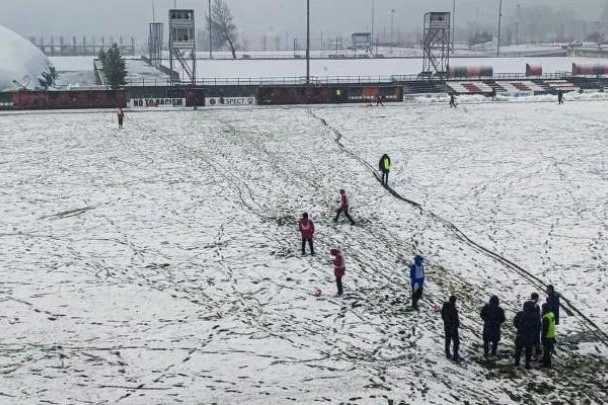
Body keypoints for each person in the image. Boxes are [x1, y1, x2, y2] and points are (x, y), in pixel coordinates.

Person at [513, 301, 541, 369]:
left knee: (518, 349)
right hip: (530, 335)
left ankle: (517, 362)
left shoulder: (520, 314)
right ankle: (527, 364)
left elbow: (515, 322)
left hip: (520, 334)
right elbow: (539, 326)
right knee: (528, 350)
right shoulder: (536, 316)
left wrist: (519, 327)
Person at [441, 295, 461, 361]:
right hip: (452, 328)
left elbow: (443, 316)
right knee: (456, 342)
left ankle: (447, 353)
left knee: (448, 340)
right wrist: (455, 324)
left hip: (447, 327)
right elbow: (453, 318)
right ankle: (455, 355)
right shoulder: (452, 307)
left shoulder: (445, 306)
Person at [541, 303, 557, 368]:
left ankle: (546, 364)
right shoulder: (551, 314)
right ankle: (547, 363)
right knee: (549, 350)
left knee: (546, 351)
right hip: (552, 335)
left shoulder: (545, 318)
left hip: (547, 337)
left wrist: (543, 338)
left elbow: (545, 329)